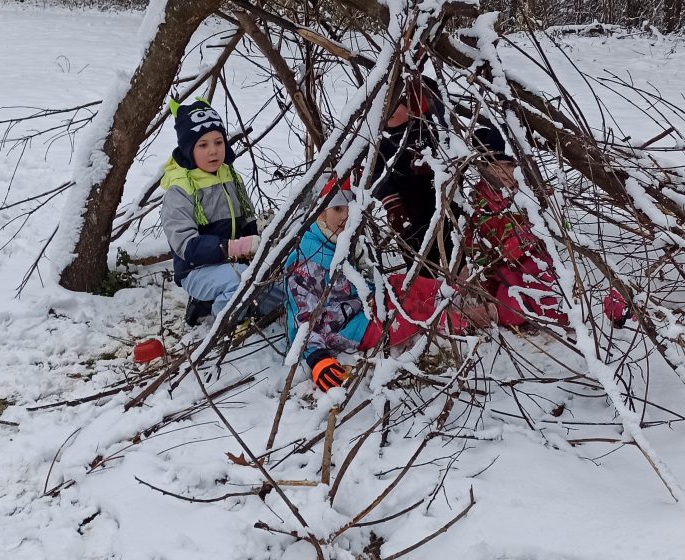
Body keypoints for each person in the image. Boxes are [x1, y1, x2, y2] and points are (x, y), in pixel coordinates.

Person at [285, 178, 497, 392]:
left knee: (399, 284)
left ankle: (450, 290)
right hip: (345, 328)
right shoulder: (305, 261)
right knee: (404, 316)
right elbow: (302, 318)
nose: (344, 216)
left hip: (361, 306)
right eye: (337, 209)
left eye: (348, 208)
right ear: (321, 214)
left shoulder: (333, 240)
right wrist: (317, 358)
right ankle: (470, 318)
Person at [160, 98, 282, 326]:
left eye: (218, 142)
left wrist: (261, 228)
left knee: (277, 289)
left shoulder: (230, 176)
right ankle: (224, 326)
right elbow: (186, 244)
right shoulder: (180, 188)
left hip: (235, 262)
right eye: (203, 145)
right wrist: (234, 247)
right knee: (240, 282)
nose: (213, 151)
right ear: (189, 148)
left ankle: (222, 303)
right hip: (197, 269)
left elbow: (244, 224)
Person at [463, 126, 569, 328]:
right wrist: (477, 263)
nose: (503, 171)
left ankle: (495, 314)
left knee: (532, 296)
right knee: (503, 293)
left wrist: (524, 238)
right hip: (496, 269)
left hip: (532, 265)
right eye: (495, 165)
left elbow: (560, 225)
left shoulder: (531, 193)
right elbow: (473, 236)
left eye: (508, 165)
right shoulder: (479, 199)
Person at [370, 77, 452, 270]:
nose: (387, 110)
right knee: (418, 257)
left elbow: (452, 152)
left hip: (440, 200)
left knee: (450, 244)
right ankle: (422, 286)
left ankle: (460, 281)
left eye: (395, 104)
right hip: (406, 207)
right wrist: (391, 202)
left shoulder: (432, 128)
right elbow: (375, 174)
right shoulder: (384, 138)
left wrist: (436, 166)